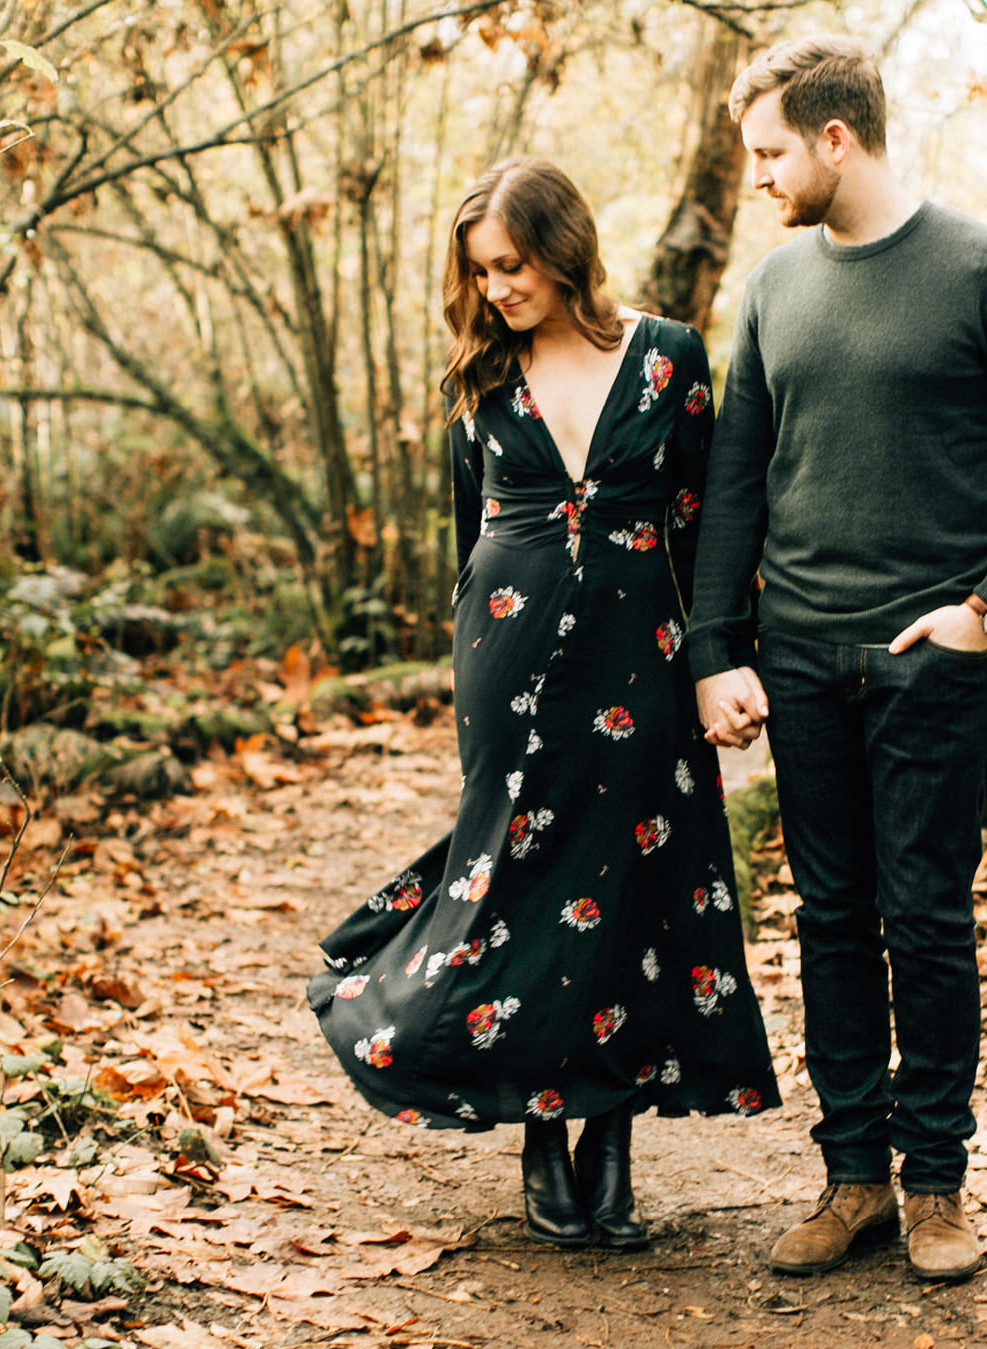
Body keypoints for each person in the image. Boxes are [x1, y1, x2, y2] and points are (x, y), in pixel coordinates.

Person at [687, 37, 987, 1282]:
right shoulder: (770, 288)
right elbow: (732, 489)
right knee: (827, 919)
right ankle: (852, 1179)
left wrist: (985, 603)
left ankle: (935, 1187)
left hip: (934, 663)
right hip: (804, 658)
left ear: (833, 138)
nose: (755, 176)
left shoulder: (978, 268)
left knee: (922, 920)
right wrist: (717, 647)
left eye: (768, 151)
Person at [309, 158, 780, 1251]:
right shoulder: (477, 383)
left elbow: (711, 523)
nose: (495, 290)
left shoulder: (668, 357)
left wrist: (720, 654)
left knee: (633, 878)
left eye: (511, 265)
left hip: (643, 651)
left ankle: (608, 1133)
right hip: (508, 658)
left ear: (563, 251)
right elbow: (467, 537)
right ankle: (537, 1127)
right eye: (478, 272)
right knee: (521, 879)